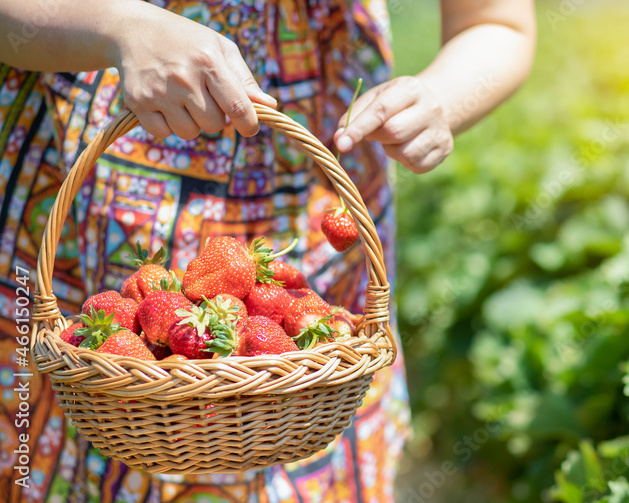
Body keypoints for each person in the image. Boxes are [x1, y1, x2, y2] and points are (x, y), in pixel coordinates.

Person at [0, 0, 534, 500]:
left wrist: (439, 98)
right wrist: (120, 25)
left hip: (319, 227)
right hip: (67, 203)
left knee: (312, 393)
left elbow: (496, 23)